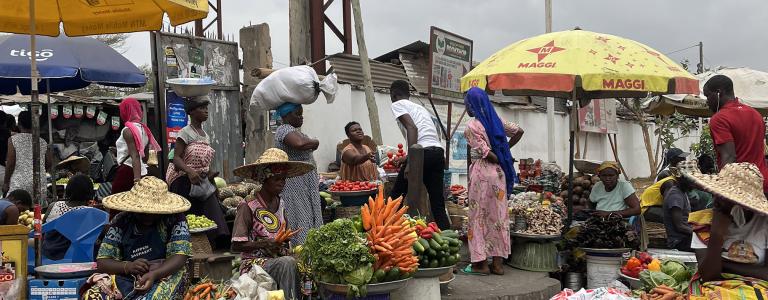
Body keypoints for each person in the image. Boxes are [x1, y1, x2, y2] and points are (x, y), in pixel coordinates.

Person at [231, 148, 314, 299]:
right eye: (277, 179)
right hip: (254, 264)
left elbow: (284, 235)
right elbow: (236, 245)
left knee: (307, 261)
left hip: (278, 258)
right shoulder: (248, 206)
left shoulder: (280, 202)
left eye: (283, 179)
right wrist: (265, 244)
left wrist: (285, 243)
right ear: (265, 178)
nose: (282, 183)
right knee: (288, 263)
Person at [92, 177, 192, 299]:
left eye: (152, 211)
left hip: (166, 272)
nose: (147, 215)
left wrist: (155, 274)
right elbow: (103, 262)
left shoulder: (175, 219)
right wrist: (128, 266)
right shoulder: (122, 220)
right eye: (142, 211)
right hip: (127, 276)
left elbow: (180, 256)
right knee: (93, 296)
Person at [461, 88, 523, 276]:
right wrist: (506, 150)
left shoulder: (472, 127)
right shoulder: (496, 120)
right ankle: (498, 264)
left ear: (473, 106)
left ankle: (481, 264)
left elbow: (487, 154)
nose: (467, 108)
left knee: (478, 217)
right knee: (498, 217)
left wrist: (500, 154)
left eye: (468, 105)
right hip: (498, 175)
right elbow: (519, 131)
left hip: (481, 173)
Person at [684, 163, 768, 299]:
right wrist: (717, 233)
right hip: (716, 289)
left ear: (746, 205)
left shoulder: (764, 224)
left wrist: (724, 265)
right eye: (718, 195)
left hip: (759, 289)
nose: (717, 202)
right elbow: (708, 276)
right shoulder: (703, 223)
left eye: (727, 199)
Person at [166, 96, 229, 247]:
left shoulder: (205, 135)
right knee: (185, 217)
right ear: (192, 112)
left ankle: (214, 244)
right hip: (182, 180)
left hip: (200, 181)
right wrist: (189, 171)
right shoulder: (185, 132)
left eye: (207, 108)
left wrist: (210, 173)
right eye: (202, 108)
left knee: (211, 213)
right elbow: (176, 158)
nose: (206, 111)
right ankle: (182, 247)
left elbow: (202, 161)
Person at [388, 80, 450, 229]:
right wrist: (407, 158)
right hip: (437, 153)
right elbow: (427, 138)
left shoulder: (397, 104)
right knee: (437, 202)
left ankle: (384, 232)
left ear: (394, 94)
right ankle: (448, 238)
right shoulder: (419, 107)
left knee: (396, 198)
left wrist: (411, 162)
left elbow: (412, 128)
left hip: (421, 154)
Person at [704, 75, 768, 196]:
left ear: (718, 92)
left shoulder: (719, 118)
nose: (707, 101)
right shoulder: (755, 114)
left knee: (720, 215)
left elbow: (729, 157)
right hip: (762, 182)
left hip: (740, 187)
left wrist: (721, 189)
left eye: (708, 95)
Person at [274, 102, 323, 245]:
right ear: (287, 115)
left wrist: (312, 142)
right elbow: (300, 144)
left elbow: (305, 142)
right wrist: (315, 141)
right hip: (295, 183)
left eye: (302, 114)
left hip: (306, 182)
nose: (301, 117)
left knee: (309, 213)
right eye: (297, 114)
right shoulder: (283, 130)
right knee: (300, 214)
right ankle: (300, 248)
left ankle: (312, 246)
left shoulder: (296, 131)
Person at [111, 98, 161, 196]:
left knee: (118, 203)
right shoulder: (145, 129)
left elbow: (135, 156)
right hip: (141, 170)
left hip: (128, 171)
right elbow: (145, 156)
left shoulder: (127, 130)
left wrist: (137, 180)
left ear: (125, 111)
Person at [42, 174, 93, 260]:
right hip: (72, 259)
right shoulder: (89, 212)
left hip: (46, 255)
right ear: (89, 191)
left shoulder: (54, 205)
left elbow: (42, 230)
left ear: (68, 189)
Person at [3, 111, 52, 198]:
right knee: (37, 210)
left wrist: (6, 182)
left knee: (17, 208)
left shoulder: (13, 140)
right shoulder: (42, 141)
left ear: (19, 124)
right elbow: (49, 163)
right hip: (39, 182)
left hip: (19, 182)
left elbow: (10, 163)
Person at [659, 169, 694, 252]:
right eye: (692, 182)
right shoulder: (675, 196)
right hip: (678, 241)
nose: (694, 185)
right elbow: (679, 226)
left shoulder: (682, 192)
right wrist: (697, 233)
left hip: (684, 238)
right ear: (685, 181)